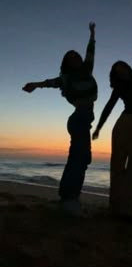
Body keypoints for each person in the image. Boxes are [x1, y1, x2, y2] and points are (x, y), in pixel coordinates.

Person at [22, 22, 97, 215]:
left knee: (81, 157)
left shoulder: (87, 70)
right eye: (71, 58)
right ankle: (69, 200)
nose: (76, 59)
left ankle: (69, 196)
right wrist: (35, 85)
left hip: (83, 119)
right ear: (67, 63)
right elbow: (52, 82)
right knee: (80, 158)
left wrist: (92, 34)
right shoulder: (67, 77)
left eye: (77, 56)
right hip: (79, 119)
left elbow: (90, 52)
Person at [92, 33, 132, 224]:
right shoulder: (118, 88)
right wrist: (99, 128)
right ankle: (116, 209)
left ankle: (127, 210)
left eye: (124, 68)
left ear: (128, 69)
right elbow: (108, 108)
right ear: (116, 75)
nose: (122, 71)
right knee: (117, 169)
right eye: (118, 70)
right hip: (124, 126)